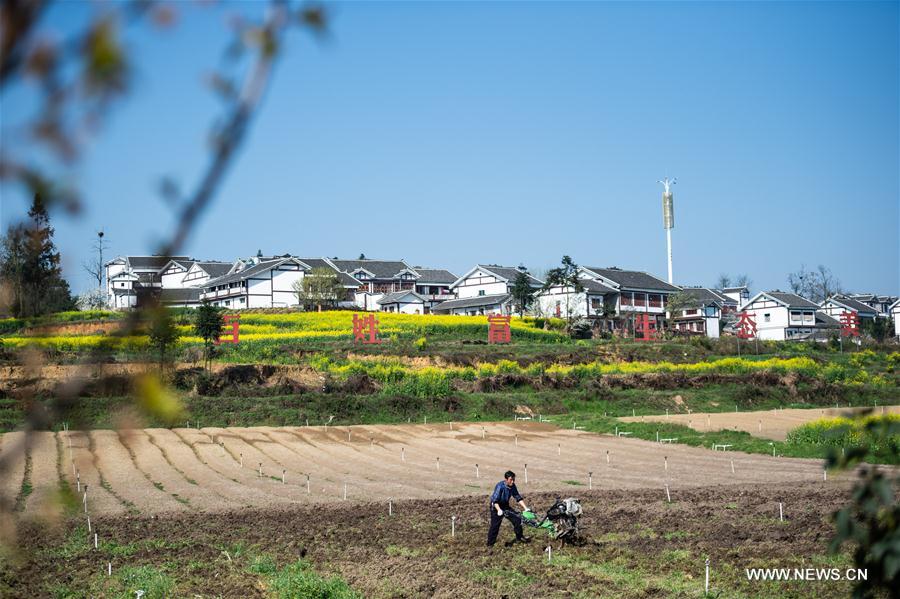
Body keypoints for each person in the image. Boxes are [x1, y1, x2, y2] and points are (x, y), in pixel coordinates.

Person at [487, 470, 531, 546]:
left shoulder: (513, 486)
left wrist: (525, 508)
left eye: (514, 480)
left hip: (505, 506)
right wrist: (499, 510)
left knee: (517, 519)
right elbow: (494, 501)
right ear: (506, 479)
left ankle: (519, 537)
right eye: (511, 480)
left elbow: (517, 497)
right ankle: (490, 544)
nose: (513, 482)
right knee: (495, 526)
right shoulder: (500, 486)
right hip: (496, 507)